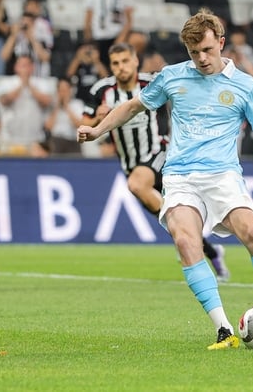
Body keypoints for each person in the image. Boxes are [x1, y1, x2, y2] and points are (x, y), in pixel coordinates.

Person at [77, 9, 253, 349]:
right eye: (194, 53)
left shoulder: (246, 86)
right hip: (180, 176)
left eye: (207, 50)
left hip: (223, 176)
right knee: (185, 242)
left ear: (221, 43)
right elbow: (132, 106)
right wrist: (97, 131)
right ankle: (224, 330)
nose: (202, 59)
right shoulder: (172, 77)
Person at [81, 43, 231, 281]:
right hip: (131, 164)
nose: (121, 68)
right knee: (171, 218)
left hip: (161, 152)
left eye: (125, 61)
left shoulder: (152, 82)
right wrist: (95, 121)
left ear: (135, 61)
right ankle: (211, 251)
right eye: (115, 64)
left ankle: (195, 241)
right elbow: (84, 126)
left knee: (137, 186)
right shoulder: (102, 90)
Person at [83, 0, 133, 68]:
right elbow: (88, 17)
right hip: (98, 36)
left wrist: (121, 38)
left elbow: (129, 20)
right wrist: (88, 39)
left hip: (117, 36)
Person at [44, 78, 85, 155]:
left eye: (65, 90)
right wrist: (57, 107)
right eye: (60, 90)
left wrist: (66, 106)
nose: (63, 93)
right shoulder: (52, 106)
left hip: (73, 140)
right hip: (56, 140)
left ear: (70, 90)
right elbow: (48, 127)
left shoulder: (78, 104)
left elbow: (79, 125)